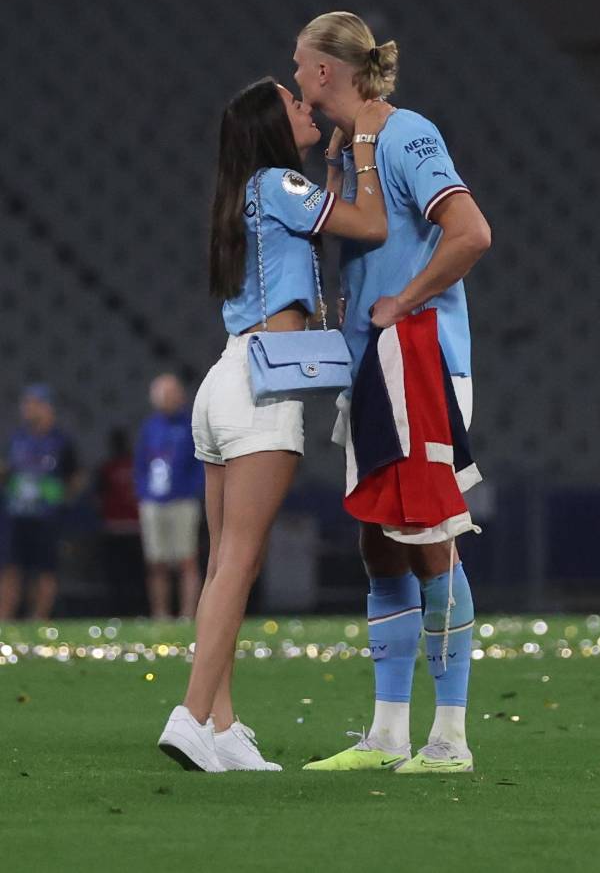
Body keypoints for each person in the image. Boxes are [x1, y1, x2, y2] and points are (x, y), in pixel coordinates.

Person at [157, 76, 393, 772]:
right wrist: (365, 152)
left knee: (225, 564)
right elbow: (369, 225)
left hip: (225, 379)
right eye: (293, 103)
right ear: (270, 125)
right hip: (263, 386)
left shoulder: (243, 193)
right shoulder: (275, 185)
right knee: (237, 563)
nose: (306, 104)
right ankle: (191, 715)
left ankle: (221, 726)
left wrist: (329, 165)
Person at [293, 12, 492, 773]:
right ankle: (386, 735)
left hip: (420, 366)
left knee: (426, 538)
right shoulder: (355, 151)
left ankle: (449, 738)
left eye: (298, 65)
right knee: (379, 541)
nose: (298, 84)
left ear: (322, 72)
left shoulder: (407, 134)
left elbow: (470, 233)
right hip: (373, 371)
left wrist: (402, 301)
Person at [0, 384, 79, 620]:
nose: (27, 409)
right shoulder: (16, 440)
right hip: (17, 514)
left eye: (33, 404)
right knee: (11, 568)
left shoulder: (61, 441)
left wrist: (61, 497)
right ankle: (5, 616)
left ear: (46, 408)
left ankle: (39, 618)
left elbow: (75, 476)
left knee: (45, 569)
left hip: (47, 517)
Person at [135, 374, 204, 620]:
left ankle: (188, 613)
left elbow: (199, 462)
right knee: (157, 561)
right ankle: (160, 613)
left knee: (186, 559)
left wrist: (191, 490)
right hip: (153, 501)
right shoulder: (150, 427)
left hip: (182, 500)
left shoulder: (189, 425)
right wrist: (143, 492)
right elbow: (141, 463)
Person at [96, 427, 146, 617]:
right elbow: (99, 497)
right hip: (116, 528)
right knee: (120, 577)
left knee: (132, 576)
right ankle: (119, 611)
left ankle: (135, 610)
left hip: (131, 528)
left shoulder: (134, 466)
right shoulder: (108, 468)